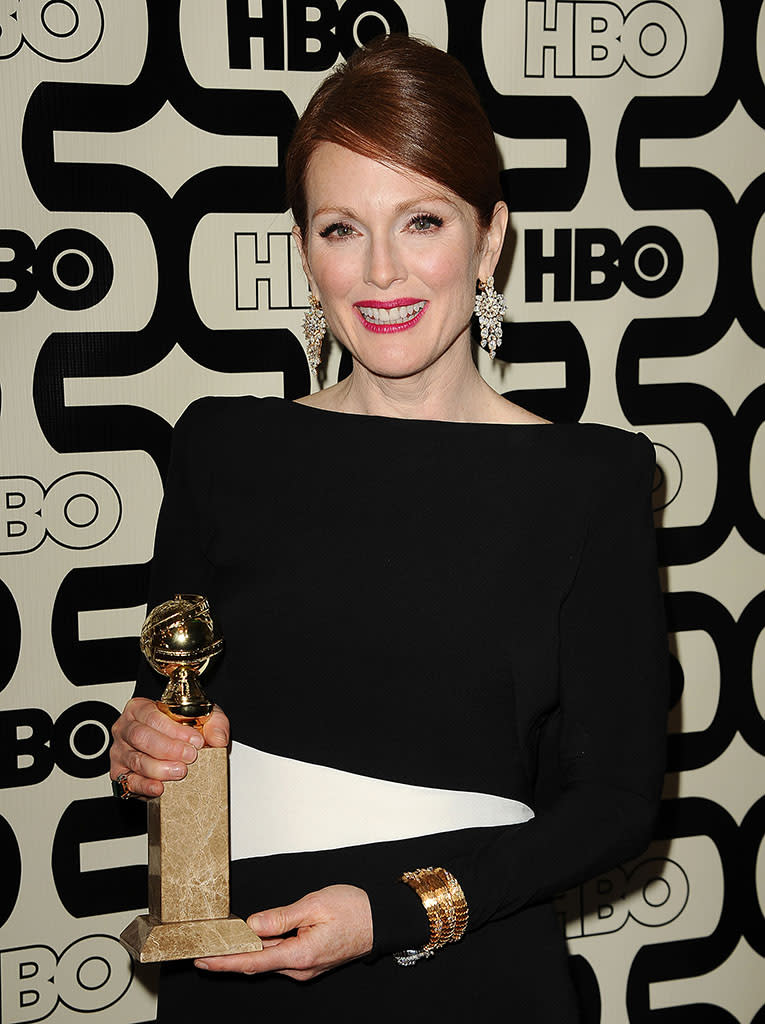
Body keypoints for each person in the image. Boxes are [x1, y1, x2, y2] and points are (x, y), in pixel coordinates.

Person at [109, 34, 668, 1021]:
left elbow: (617, 802)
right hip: (239, 976)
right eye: (339, 228)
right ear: (302, 249)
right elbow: (178, 706)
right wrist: (146, 747)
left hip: (472, 971)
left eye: (421, 220)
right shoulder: (221, 448)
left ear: (490, 238)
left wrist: (398, 912)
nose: (380, 272)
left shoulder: (593, 479)